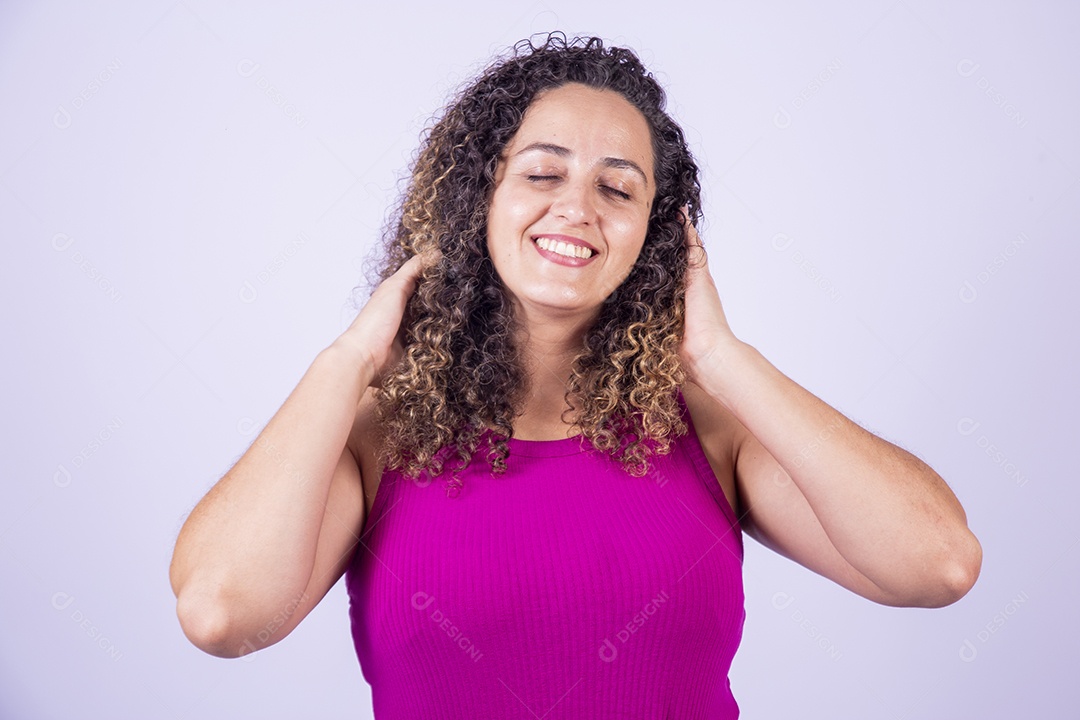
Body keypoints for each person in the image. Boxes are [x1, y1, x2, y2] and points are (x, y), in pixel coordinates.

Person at [169, 33, 982, 718]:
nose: (578, 209)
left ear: (658, 234)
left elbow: (937, 565)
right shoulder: (376, 437)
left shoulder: (712, 427)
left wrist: (723, 359)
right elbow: (220, 613)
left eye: (617, 188)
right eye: (542, 173)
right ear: (474, 202)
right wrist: (345, 363)